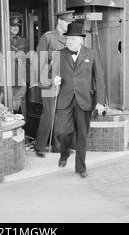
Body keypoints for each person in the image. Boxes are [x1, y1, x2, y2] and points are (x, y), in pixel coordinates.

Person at [53, 22, 106, 178]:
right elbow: (49, 74)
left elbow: (100, 78)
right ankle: (65, 152)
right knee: (63, 132)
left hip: (84, 99)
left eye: (73, 39)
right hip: (65, 99)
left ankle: (81, 167)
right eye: (68, 39)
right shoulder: (59, 54)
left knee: (82, 134)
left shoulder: (91, 54)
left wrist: (100, 102)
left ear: (81, 40)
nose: (69, 42)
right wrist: (53, 79)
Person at [34, 10, 75, 158]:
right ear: (60, 22)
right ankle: (39, 145)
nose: (70, 25)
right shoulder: (48, 37)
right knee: (49, 114)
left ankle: (58, 146)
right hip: (49, 80)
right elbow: (40, 61)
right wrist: (50, 79)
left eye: (71, 22)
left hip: (64, 83)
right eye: (68, 22)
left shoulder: (70, 39)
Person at [9, 14, 28, 115]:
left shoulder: (23, 41)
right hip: (7, 77)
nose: (16, 28)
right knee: (7, 103)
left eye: (17, 26)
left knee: (17, 103)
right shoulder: (2, 40)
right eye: (13, 26)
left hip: (20, 76)